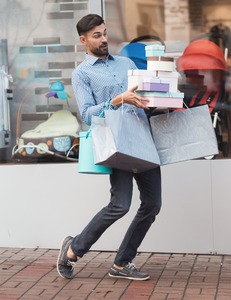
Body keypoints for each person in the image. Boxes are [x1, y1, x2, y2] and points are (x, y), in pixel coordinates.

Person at [57, 14, 161, 281]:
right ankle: (73, 250)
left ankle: (121, 263)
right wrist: (116, 100)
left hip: (142, 139)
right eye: (96, 36)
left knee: (152, 204)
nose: (104, 39)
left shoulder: (126, 63)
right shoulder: (82, 74)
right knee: (120, 205)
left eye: (104, 33)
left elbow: (144, 95)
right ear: (83, 40)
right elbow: (88, 115)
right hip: (116, 145)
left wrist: (157, 97)